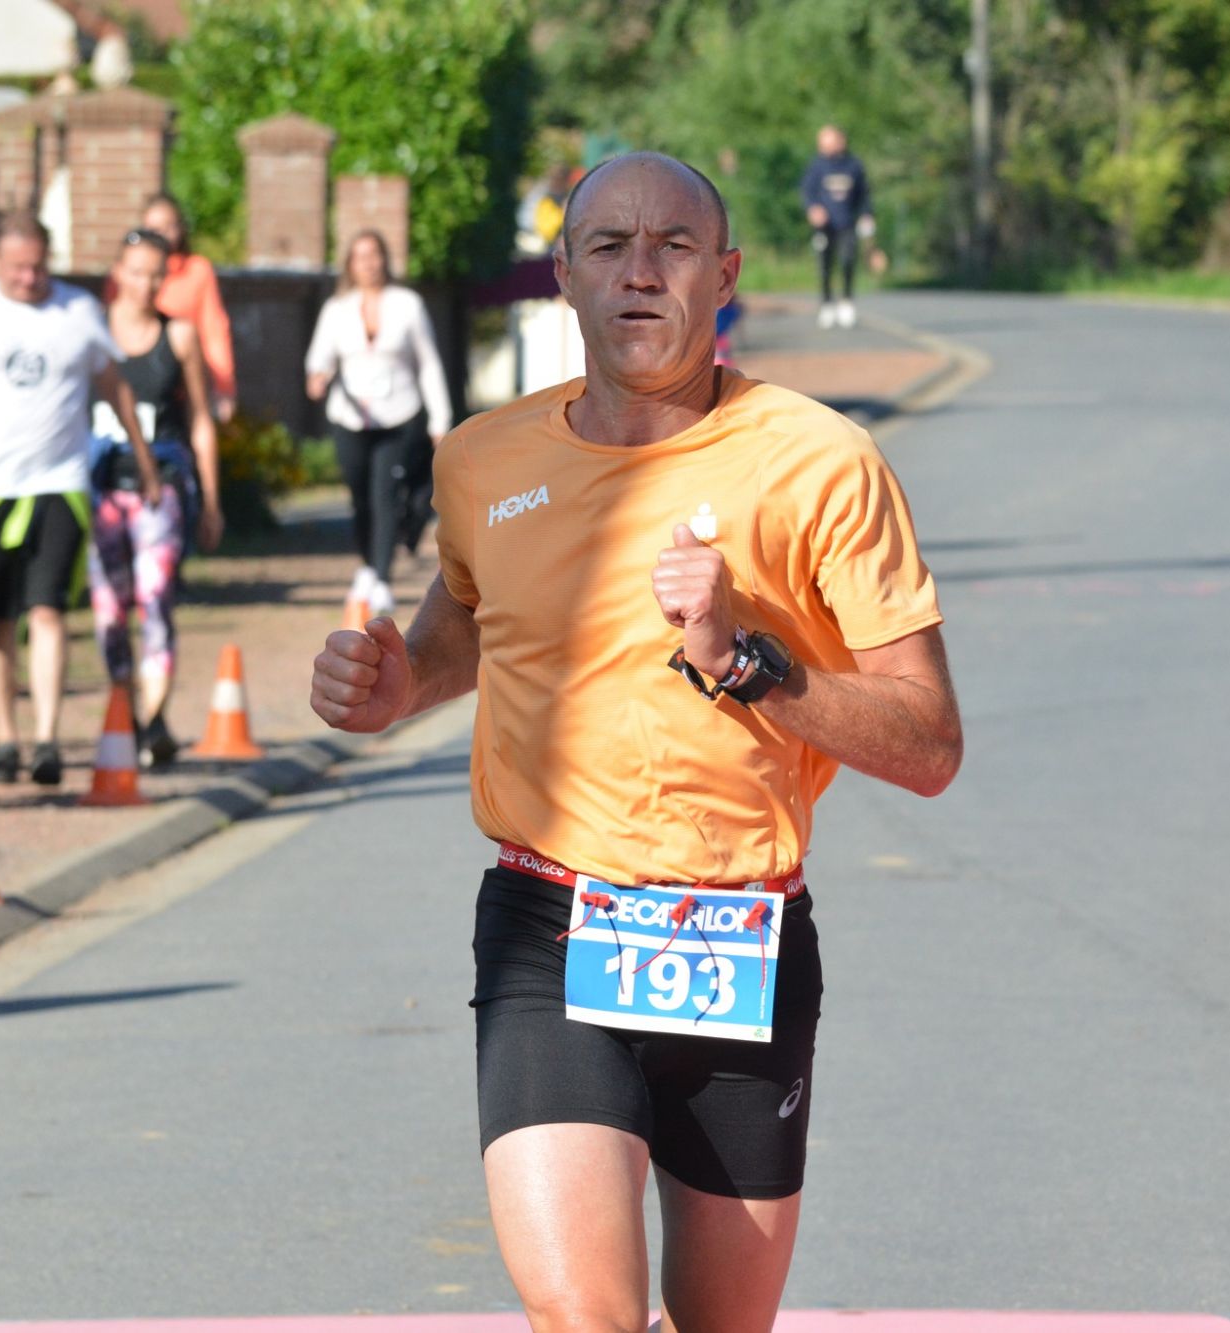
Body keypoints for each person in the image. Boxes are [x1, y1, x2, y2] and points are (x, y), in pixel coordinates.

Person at [309, 151, 962, 1333]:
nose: (640, 271)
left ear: (726, 275)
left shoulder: (820, 460)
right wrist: (400, 683)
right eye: (607, 246)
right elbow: (466, 623)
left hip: (742, 933)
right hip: (550, 923)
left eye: (673, 246)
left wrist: (744, 657)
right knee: (584, 1316)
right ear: (562, 275)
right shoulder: (483, 459)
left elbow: (927, 744)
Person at [0, 211, 160, 787]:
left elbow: (115, 388)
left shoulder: (79, 311)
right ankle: (5, 738)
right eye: (17, 268)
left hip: (57, 486)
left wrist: (143, 461)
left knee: (47, 612)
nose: (29, 278)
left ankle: (46, 738)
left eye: (39, 266)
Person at [89, 228, 223, 770]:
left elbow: (201, 419)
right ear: (117, 272)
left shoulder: (180, 336)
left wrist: (211, 498)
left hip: (158, 491)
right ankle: (126, 706)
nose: (145, 285)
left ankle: (153, 719)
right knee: (108, 610)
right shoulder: (91, 332)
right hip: (101, 490)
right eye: (136, 272)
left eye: (156, 275)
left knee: (157, 600)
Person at [305, 229, 451, 619]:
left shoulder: (408, 305)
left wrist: (440, 419)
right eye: (360, 257)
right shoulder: (336, 309)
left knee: (384, 493)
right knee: (360, 496)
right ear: (350, 264)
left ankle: (382, 579)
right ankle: (369, 565)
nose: (368, 264)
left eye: (374, 255)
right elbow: (319, 357)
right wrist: (318, 376)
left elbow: (429, 363)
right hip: (350, 417)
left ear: (385, 259)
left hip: (398, 415)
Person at [133, 194, 236, 423]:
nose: (163, 235)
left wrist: (223, 384)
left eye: (169, 227)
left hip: (183, 380)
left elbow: (214, 329)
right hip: (140, 378)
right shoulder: (127, 271)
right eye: (154, 229)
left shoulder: (196, 270)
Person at [800, 125, 873, 330]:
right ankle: (826, 303)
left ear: (840, 141)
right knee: (825, 264)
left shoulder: (854, 165)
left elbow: (864, 194)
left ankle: (847, 301)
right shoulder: (816, 166)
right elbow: (808, 191)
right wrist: (813, 208)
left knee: (848, 260)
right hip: (825, 226)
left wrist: (867, 215)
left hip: (847, 223)